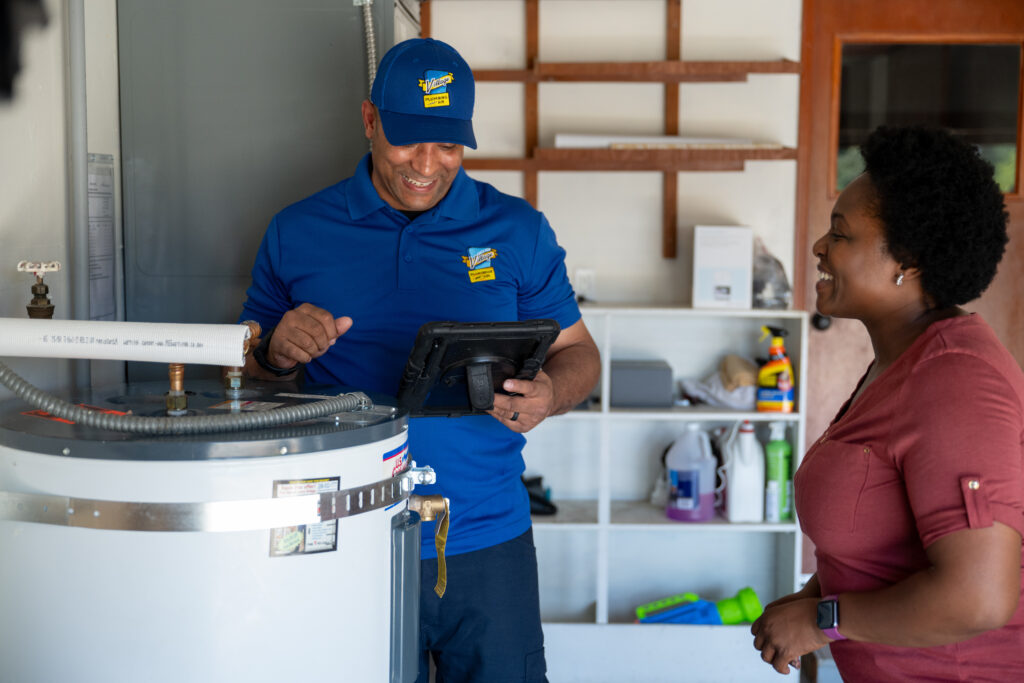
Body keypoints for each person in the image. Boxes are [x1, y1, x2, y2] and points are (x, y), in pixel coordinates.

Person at [239, 38, 600, 683]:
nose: (427, 166)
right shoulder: (296, 230)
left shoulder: (517, 230)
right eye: (408, 141)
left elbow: (579, 353)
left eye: (449, 146)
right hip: (344, 535)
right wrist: (273, 351)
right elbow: (242, 376)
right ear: (370, 120)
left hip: (486, 538)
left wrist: (550, 393)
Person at [751, 125, 1024, 680]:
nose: (819, 247)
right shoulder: (902, 360)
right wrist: (811, 598)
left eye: (841, 234)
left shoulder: (955, 379)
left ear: (911, 258)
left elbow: (978, 599)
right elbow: (885, 533)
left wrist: (823, 619)